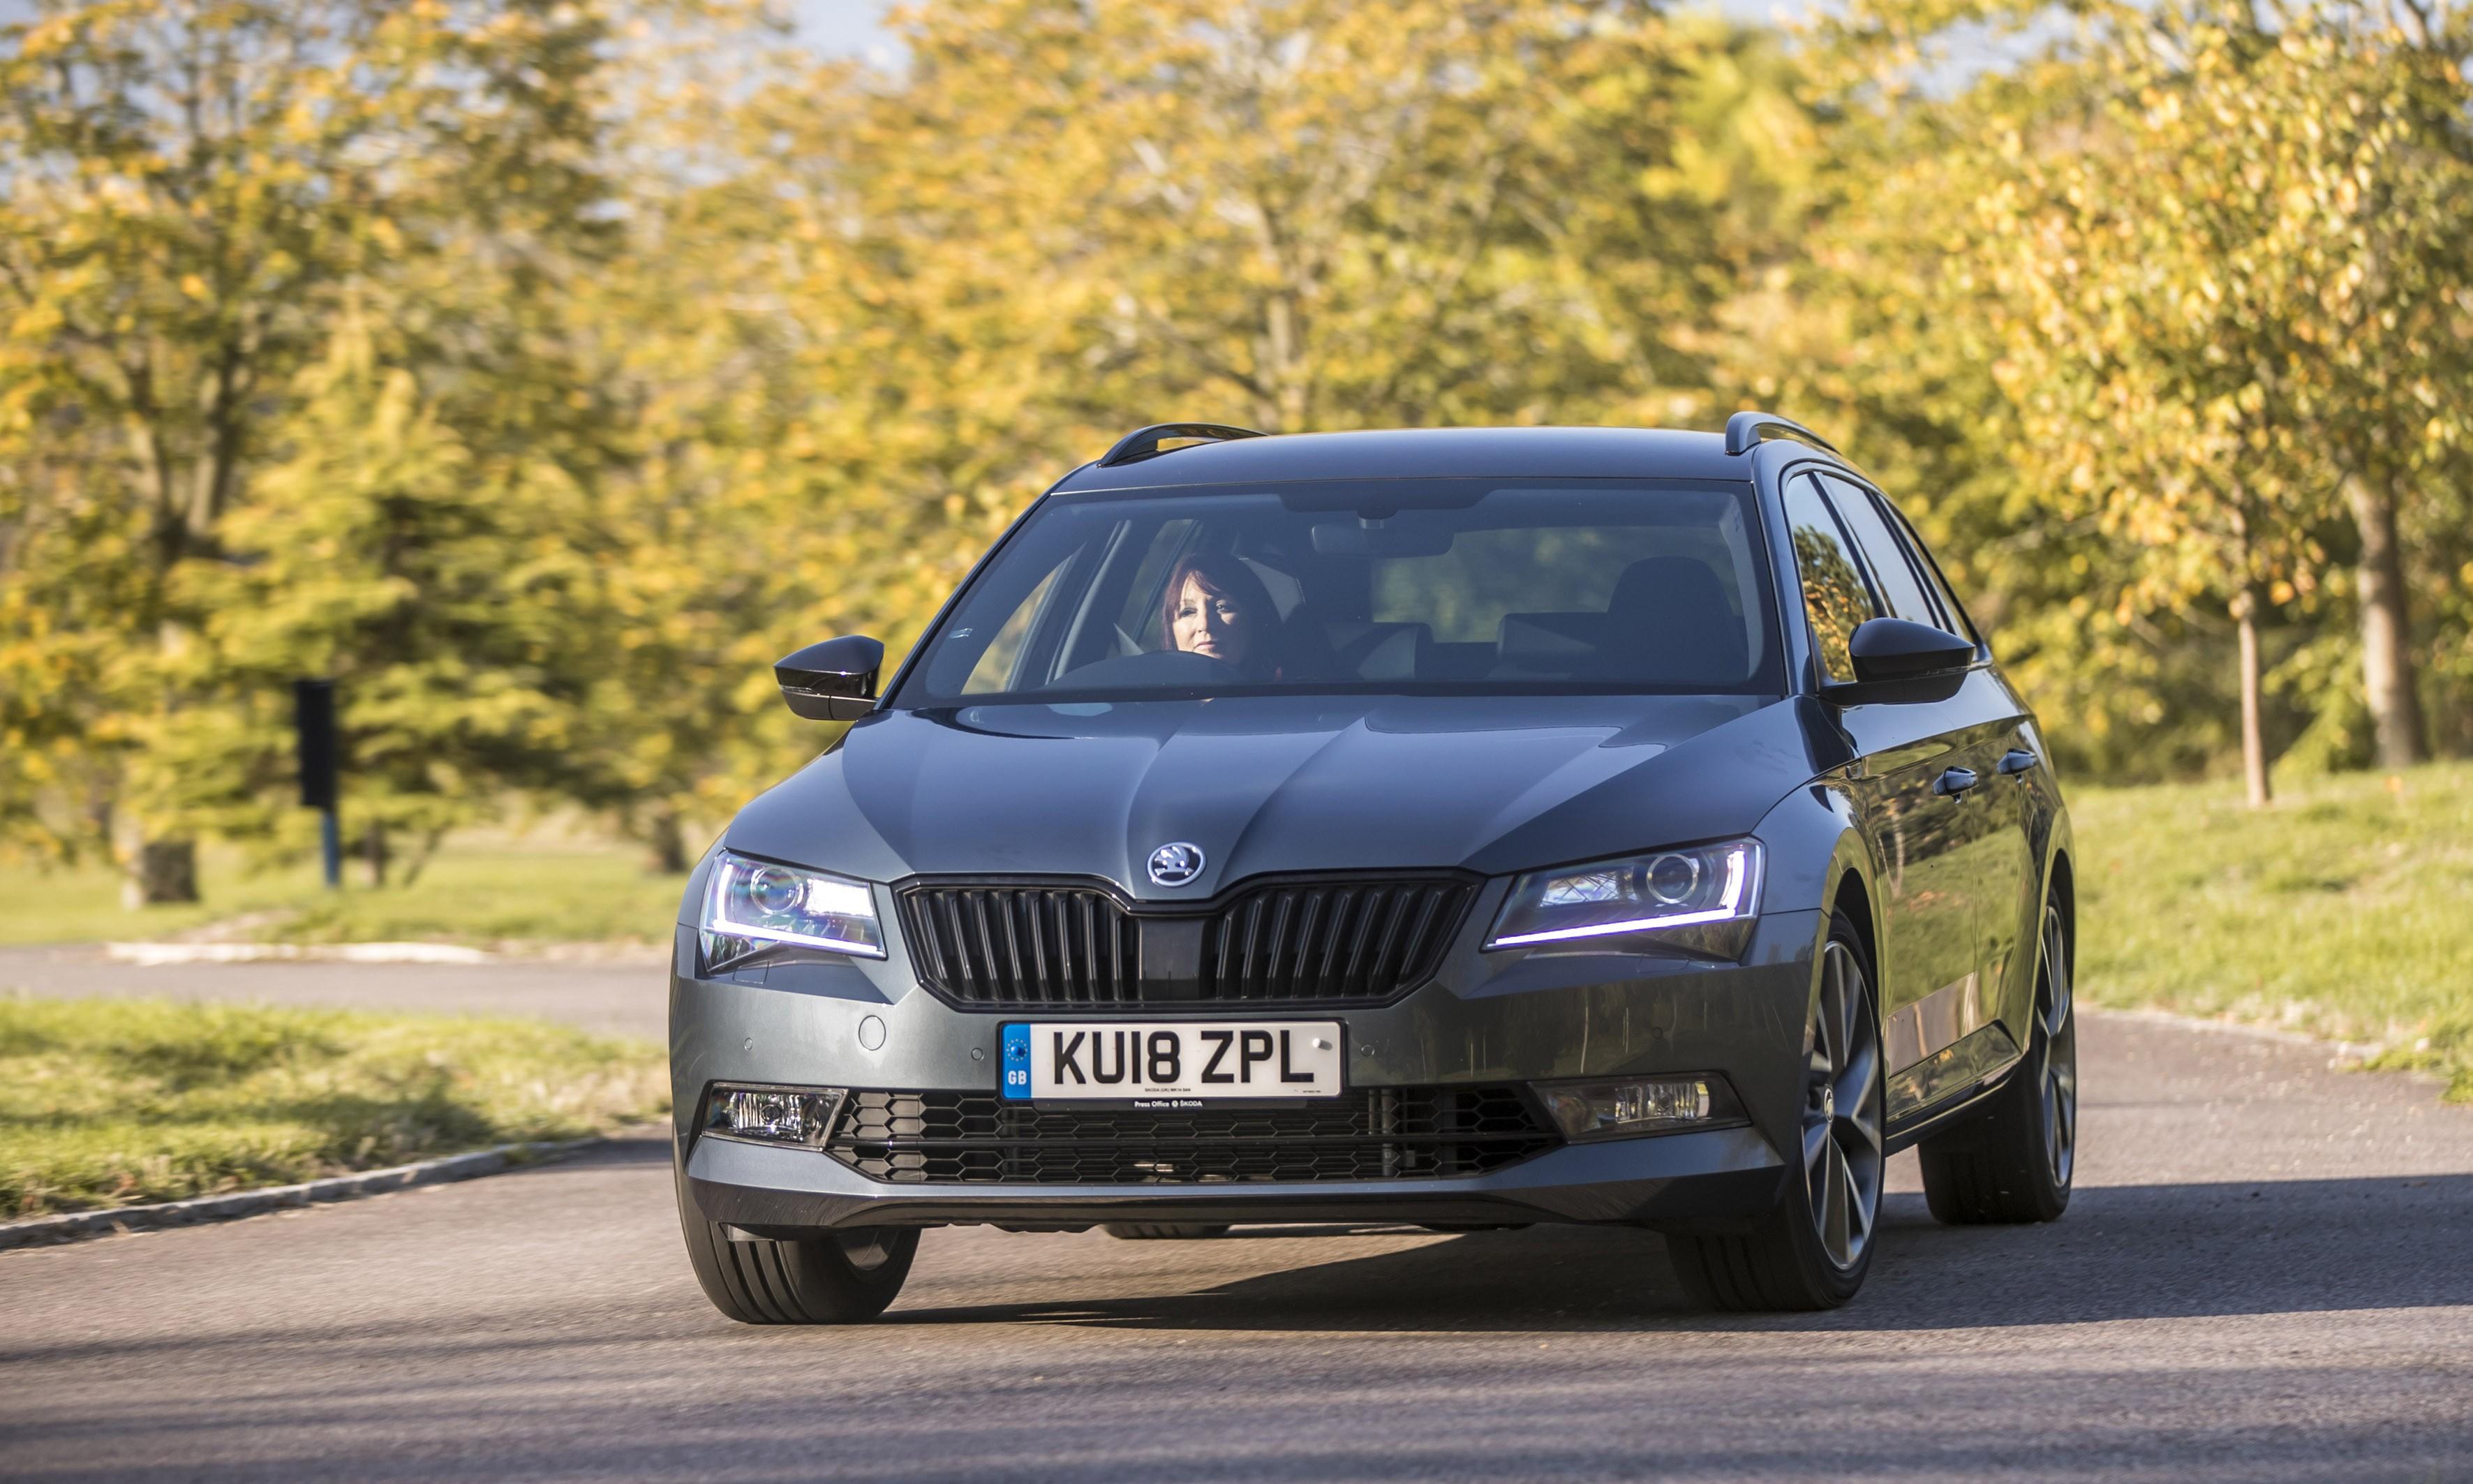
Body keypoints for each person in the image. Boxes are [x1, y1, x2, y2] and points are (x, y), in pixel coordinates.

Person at [1160, 550, 1286, 678]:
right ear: (1171, 628)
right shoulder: (1153, 697)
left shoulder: (1289, 696)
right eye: (1188, 612)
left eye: (1222, 607)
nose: (1205, 625)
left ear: (1254, 618)